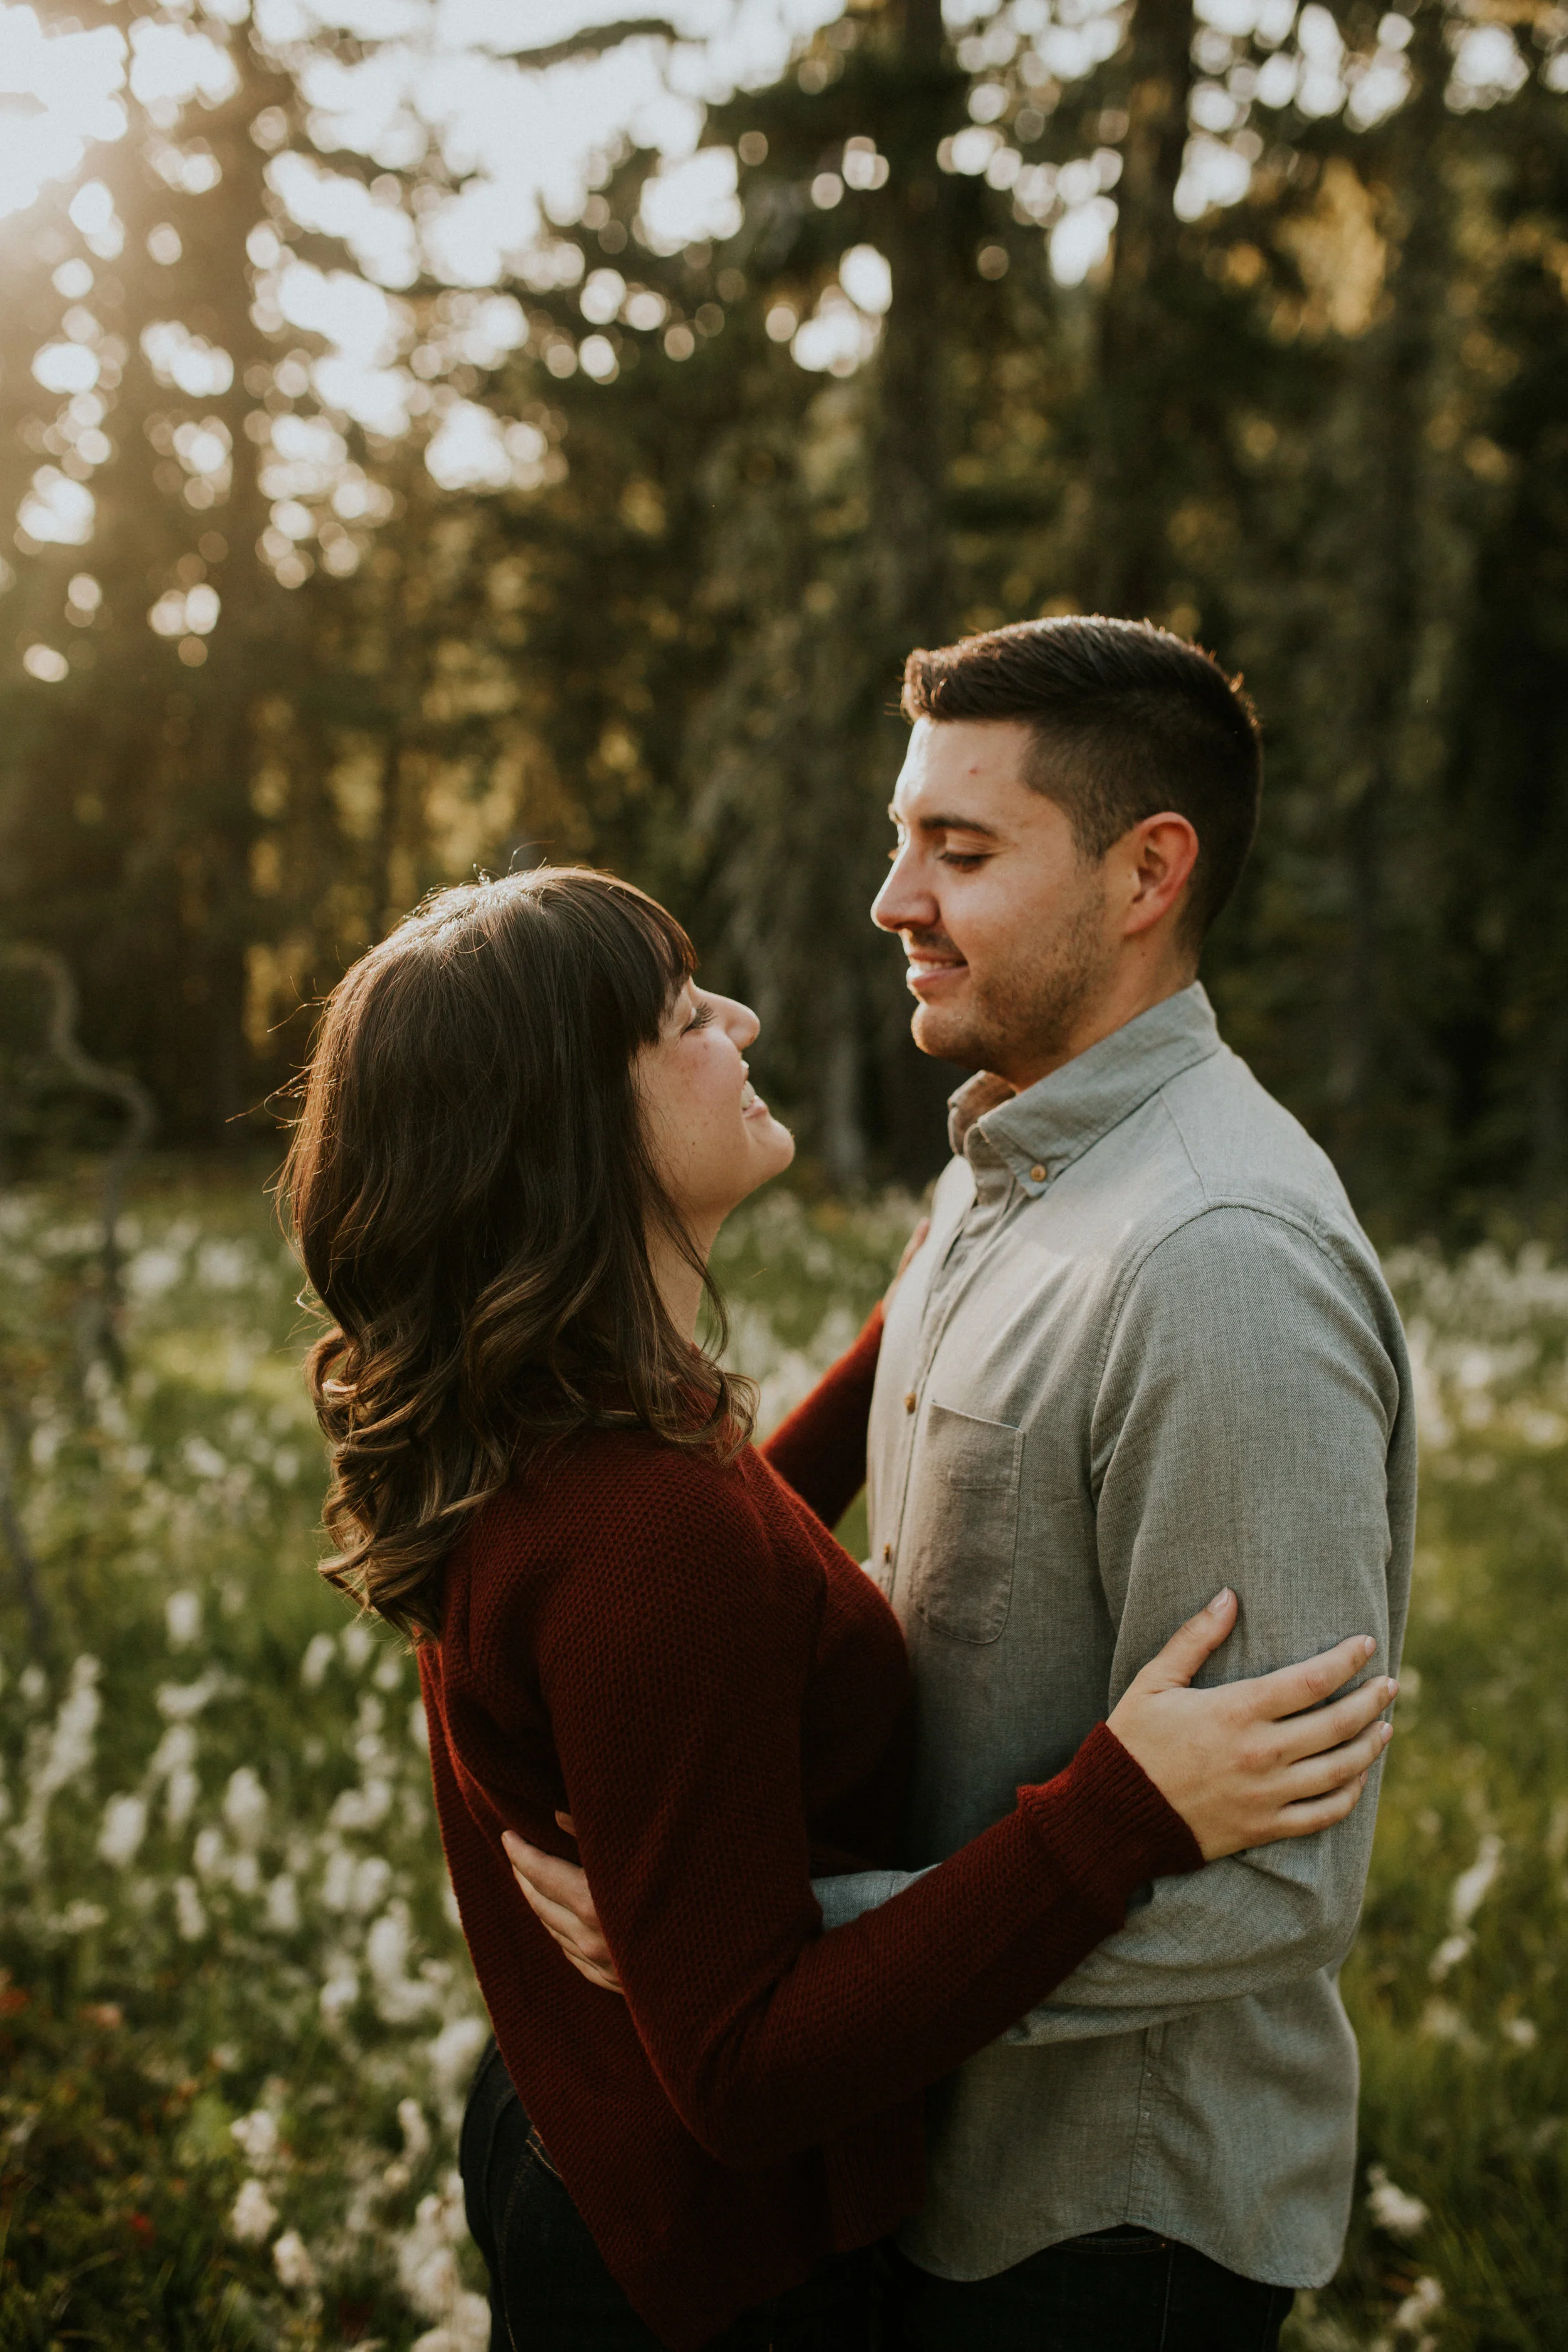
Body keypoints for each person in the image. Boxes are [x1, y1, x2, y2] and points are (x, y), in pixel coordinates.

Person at [283, 863, 1393, 2352]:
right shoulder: (641, 1536)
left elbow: (738, 1562)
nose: (736, 1018)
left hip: (572, 2145)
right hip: (708, 2264)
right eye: (683, 1016)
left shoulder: (557, 1425)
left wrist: (931, 1308)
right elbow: (742, 2069)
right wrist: (1117, 1810)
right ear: (572, 1124)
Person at [507, 620, 1415, 2352]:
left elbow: (1278, 1883)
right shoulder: (1009, 1169)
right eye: (899, 832)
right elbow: (726, 1535)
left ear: (1147, 870)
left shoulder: (1217, 1263)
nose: (888, 896)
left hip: (1099, 2222)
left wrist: (755, 1948)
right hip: (918, 2149)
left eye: (961, 848)